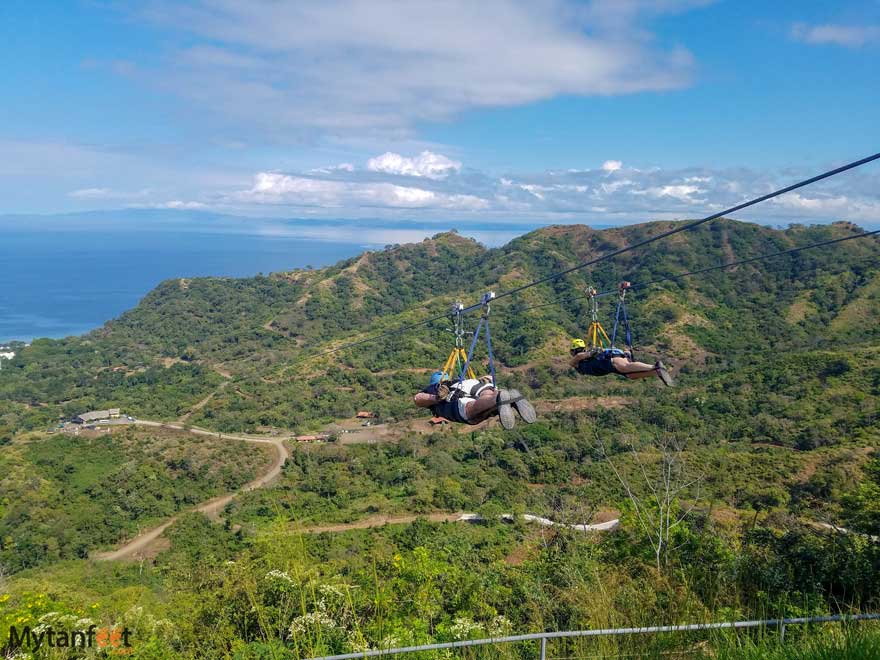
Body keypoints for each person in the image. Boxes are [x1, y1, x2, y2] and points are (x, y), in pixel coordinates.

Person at [414, 372, 536, 429]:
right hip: (472, 383)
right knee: (487, 396)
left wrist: (436, 398)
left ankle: (498, 398)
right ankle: (502, 396)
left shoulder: (434, 388)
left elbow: (418, 399)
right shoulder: (458, 380)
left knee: (471, 411)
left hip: (456, 398)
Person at [569, 339, 673, 386]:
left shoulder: (581, 358)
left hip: (609, 360)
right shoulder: (578, 362)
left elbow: (580, 355)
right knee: (630, 376)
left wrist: (592, 352)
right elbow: (579, 356)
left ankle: (654, 367)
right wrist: (592, 353)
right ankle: (656, 372)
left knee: (626, 366)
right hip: (609, 366)